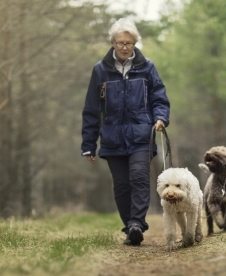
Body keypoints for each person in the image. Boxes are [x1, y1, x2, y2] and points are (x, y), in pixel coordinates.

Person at [81, 18, 170, 246]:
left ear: (134, 44)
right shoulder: (100, 71)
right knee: (121, 184)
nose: (124, 47)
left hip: (141, 136)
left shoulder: (147, 67)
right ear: (113, 43)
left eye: (129, 43)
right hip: (112, 138)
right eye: (120, 42)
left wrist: (160, 117)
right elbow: (92, 110)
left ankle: (137, 224)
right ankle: (130, 227)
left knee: (139, 178)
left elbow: (159, 97)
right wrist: (89, 145)